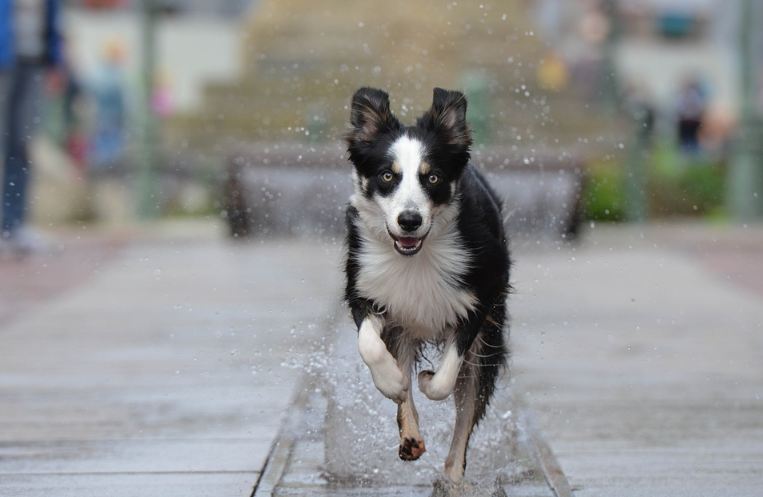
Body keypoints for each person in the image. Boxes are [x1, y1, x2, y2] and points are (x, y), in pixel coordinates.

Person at [0, 0, 62, 254]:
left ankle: (13, 225)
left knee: (22, 143)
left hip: (33, 60)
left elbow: (52, 17)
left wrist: (55, 58)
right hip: (4, 60)